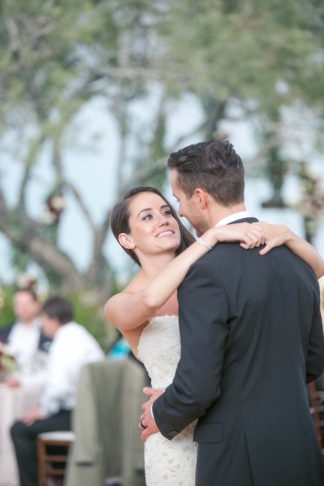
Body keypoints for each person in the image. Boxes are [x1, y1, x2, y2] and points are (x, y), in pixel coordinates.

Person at [105, 177, 324, 484]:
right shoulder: (121, 303)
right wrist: (213, 237)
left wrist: (287, 235)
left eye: (167, 211)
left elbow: (313, 270)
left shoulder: (214, 275)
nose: (164, 220)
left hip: (232, 430)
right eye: (147, 217)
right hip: (175, 437)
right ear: (127, 240)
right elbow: (151, 299)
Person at [10, 296, 104, 486]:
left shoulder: (65, 341)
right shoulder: (78, 335)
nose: (41, 325)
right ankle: (60, 479)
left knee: (19, 429)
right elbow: (49, 375)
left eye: (42, 319)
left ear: (53, 320)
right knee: (34, 425)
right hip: (91, 413)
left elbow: (58, 387)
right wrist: (22, 381)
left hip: (77, 416)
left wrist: (42, 411)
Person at [0, 288, 52, 387]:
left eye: (26, 304)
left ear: (36, 305)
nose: (23, 308)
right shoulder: (4, 333)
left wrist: (24, 382)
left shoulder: (47, 334)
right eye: (19, 304)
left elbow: (50, 369)